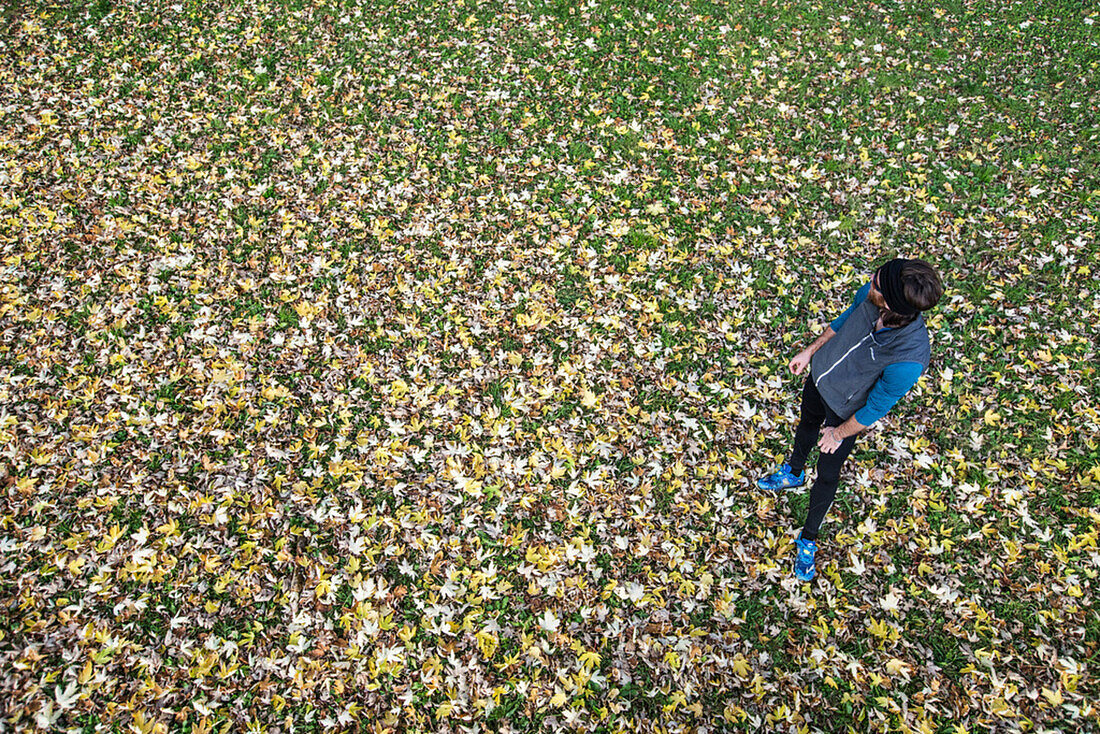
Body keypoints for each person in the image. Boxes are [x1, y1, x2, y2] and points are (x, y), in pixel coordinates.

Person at [756, 258, 944, 581]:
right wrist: (810, 352)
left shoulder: (909, 359)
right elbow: (843, 321)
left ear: (892, 303)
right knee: (805, 425)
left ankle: (808, 539)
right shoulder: (873, 293)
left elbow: (875, 408)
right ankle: (793, 471)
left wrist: (839, 433)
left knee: (828, 475)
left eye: (877, 284)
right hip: (820, 379)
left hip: (845, 412)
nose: (870, 281)